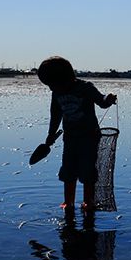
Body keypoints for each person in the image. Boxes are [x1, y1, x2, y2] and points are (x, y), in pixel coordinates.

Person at [37, 56, 117, 211]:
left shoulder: (85, 88)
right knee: (68, 170)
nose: (51, 88)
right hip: (70, 138)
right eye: (48, 86)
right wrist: (50, 135)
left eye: (52, 84)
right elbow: (56, 115)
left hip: (89, 137)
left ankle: (88, 201)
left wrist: (108, 99)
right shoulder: (57, 94)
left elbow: (101, 101)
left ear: (65, 78)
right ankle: (68, 201)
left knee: (88, 171)